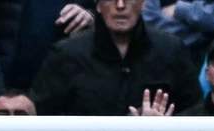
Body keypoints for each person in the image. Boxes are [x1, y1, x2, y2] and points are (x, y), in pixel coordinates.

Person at [29, 0, 201, 116]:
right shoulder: (66, 54)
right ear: (98, 5)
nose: (120, 5)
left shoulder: (171, 51)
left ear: (143, 3)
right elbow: (41, 117)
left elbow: (196, 113)